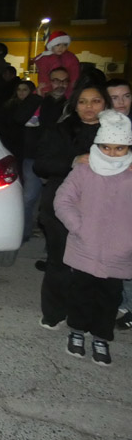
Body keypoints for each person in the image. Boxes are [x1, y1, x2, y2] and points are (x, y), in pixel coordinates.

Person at [54, 110, 132, 365]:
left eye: (119, 148)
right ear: (97, 145)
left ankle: (101, 337)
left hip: (119, 252)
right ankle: (77, 331)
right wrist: (79, 227)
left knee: (109, 298)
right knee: (80, 292)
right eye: (106, 147)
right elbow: (63, 199)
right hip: (85, 247)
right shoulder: (84, 170)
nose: (112, 153)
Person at [34, 82, 110, 329]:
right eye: (83, 102)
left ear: (105, 104)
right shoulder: (60, 130)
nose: (89, 107)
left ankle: (85, 316)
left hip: (103, 206)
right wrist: (72, 161)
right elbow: (41, 164)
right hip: (63, 203)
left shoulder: (116, 132)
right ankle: (54, 313)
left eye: (96, 101)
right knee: (60, 260)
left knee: (95, 264)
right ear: (75, 106)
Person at [20, 68, 69, 245]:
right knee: (29, 197)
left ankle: (53, 242)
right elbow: (19, 118)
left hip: (57, 159)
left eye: (64, 81)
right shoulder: (37, 101)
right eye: (56, 80)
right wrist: (36, 98)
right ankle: (23, 233)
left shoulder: (70, 106)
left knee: (56, 202)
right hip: (33, 156)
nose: (60, 85)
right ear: (48, 82)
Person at [105, 78, 132, 329]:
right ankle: (122, 302)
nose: (121, 102)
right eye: (115, 97)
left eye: (126, 96)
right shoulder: (104, 124)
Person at [33, 30, 80, 98]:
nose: (61, 48)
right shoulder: (45, 59)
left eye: (64, 45)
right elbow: (43, 75)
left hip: (67, 90)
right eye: (58, 45)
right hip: (49, 91)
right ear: (52, 45)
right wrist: (46, 89)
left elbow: (74, 73)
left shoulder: (71, 58)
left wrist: (73, 85)